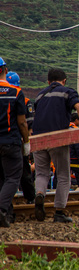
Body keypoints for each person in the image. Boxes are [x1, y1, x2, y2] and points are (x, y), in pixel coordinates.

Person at [32, 68, 79, 223]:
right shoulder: (67, 92)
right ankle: (59, 212)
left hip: (37, 139)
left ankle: (40, 194)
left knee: (42, 173)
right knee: (63, 175)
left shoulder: (40, 95)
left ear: (48, 82)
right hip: (57, 138)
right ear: (64, 80)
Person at [0, 58, 30, 227]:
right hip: (10, 141)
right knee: (12, 177)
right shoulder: (16, 92)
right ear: (5, 69)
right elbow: (22, 122)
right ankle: (2, 210)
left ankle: (7, 213)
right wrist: (26, 142)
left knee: (0, 178)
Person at [6, 71, 35, 204]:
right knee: (23, 172)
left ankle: (8, 205)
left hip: (7, 140)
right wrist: (27, 142)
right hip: (17, 141)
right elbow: (27, 125)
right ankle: (30, 198)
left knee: (5, 175)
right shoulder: (23, 98)